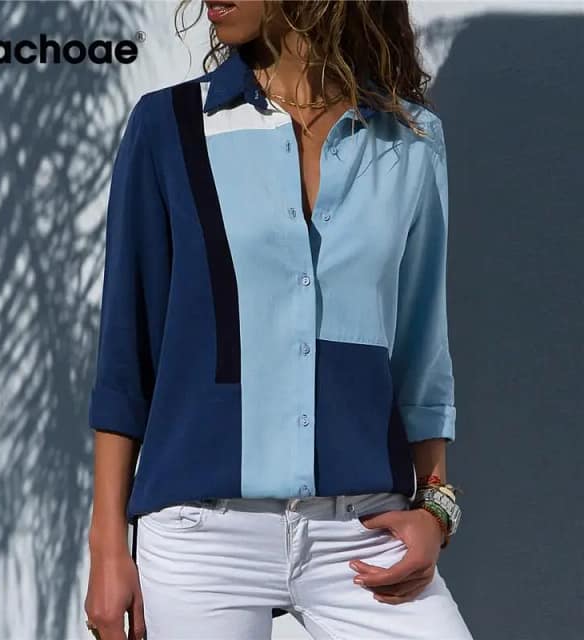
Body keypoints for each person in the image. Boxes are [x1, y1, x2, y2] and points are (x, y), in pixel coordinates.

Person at [84, 1, 474, 639]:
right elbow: (128, 355)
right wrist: (106, 545)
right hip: (200, 535)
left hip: (361, 527)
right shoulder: (170, 126)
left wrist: (436, 507)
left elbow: (420, 348)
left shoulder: (409, 140)